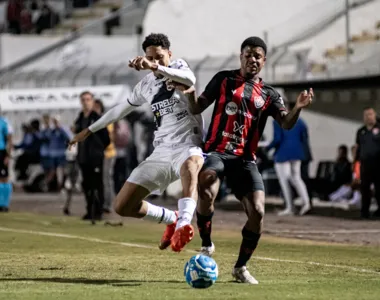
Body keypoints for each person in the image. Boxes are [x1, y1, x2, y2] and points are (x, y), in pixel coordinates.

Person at [185, 36, 313, 284]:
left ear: (264, 61)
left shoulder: (268, 94)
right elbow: (197, 107)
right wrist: (190, 94)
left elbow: (286, 124)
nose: (252, 59)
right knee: (207, 183)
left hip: (245, 160)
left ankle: (240, 268)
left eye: (258, 56)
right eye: (248, 54)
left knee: (258, 211)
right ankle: (206, 243)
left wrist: (298, 106)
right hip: (217, 152)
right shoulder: (224, 80)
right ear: (240, 55)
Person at [69, 33, 204, 252]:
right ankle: (171, 218)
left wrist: (155, 66)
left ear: (169, 53)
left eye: (160, 56)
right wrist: (89, 130)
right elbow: (119, 110)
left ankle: (184, 224)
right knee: (122, 206)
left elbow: (190, 80)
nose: (156, 61)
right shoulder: (146, 85)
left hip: (187, 144)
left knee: (191, 165)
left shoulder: (179, 67)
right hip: (161, 151)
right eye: (151, 57)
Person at [266, 110, 311, 216]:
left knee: (284, 180)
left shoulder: (277, 121)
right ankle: (306, 203)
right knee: (296, 178)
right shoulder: (300, 121)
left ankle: (290, 207)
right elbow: (304, 138)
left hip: (283, 153)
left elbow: (277, 139)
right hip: (297, 153)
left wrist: (267, 148)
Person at [74, 91, 110, 221]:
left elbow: (106, 139)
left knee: (97, 184)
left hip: (95, 157)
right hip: (83, 157)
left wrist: (98, 150)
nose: (85, 102)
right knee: (86, 185)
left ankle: (98, 211)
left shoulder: (97, 118)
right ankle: (89, 210)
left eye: (88, 99)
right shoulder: (80, 118)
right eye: (83, 100)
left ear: (92, 101)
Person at [355, 107, 380, 219]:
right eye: (366, 115)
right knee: (365, 189)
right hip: (365, 165)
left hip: (378, 164)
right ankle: (364, 212)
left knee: (379, 189)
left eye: (370, 114)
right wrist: (355, 162)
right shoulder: (361, 131)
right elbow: (357, 147)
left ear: (374, 115)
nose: (368, 117)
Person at [94, 99, 116, 213]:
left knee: (106, 179)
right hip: (98, 154)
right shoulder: (93, 120)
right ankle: (100, 203)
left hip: (107, 154)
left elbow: (109, 138)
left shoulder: (106, 120)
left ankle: (108, 204)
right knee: (99, 180)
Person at [0, 108, 13, 212]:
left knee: (4, 178)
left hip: (1, 152)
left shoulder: (5, 122)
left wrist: (8, 155)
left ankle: (4, 204)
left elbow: (9, 139)